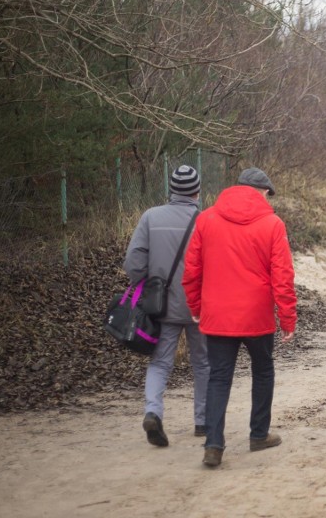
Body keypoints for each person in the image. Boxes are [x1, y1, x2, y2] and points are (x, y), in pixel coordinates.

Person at [183, 167, 297, 468]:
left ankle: (214, 444)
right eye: (267, 193)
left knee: (219, 376)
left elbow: (192, 271)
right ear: (261, 192)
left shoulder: (206, 219)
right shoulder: (272, 224)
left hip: (218, 313)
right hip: (256, 314)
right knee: (263, 370)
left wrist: (195, 307)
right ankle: (258, 435)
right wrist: (287, 318)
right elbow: (282, 277)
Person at [124, 164, 209, 448]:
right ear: (198, 191)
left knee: (160, 362)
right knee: (203, 363)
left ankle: (152, 411)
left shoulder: (151, 217)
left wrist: (149, 285)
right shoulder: (207, 220)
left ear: (171, 190)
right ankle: (203, 421)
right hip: (199, 306)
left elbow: (134, 263)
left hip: (162, 305)